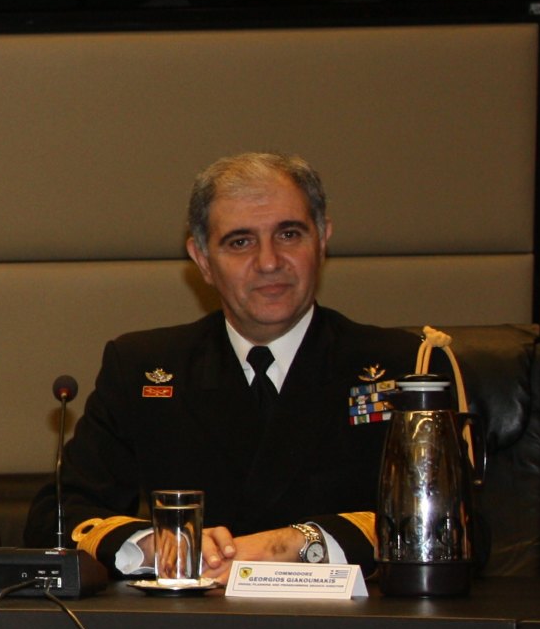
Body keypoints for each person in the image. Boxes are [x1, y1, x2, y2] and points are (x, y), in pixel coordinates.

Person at [29, 153, 422, 583]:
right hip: (195, 620)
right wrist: (155, 546)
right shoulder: (145, 367)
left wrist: (299, 544)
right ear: (202, 259)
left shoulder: (405, 366)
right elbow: (58, 518)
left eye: (289, 234)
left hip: (353, 620)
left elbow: (453, 526)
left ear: (323, 240)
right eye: (240, 242)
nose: (269, 262)